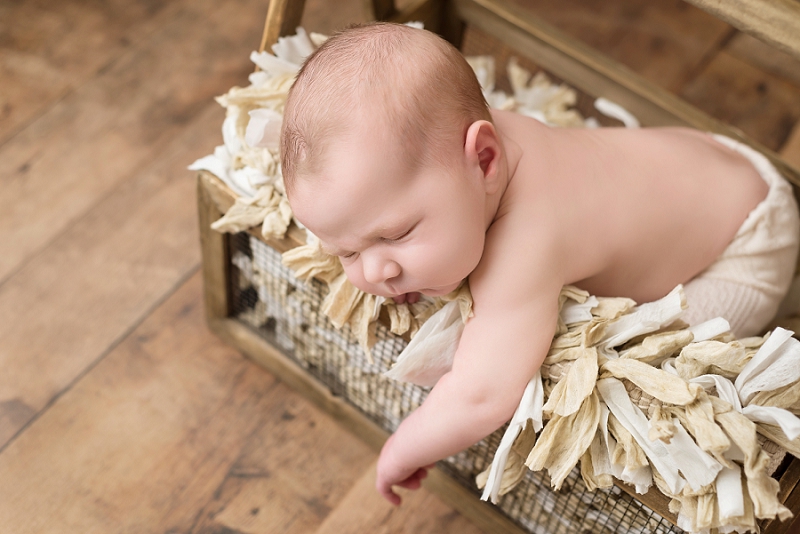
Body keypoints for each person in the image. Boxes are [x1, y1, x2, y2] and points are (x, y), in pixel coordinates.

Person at [278, 22, 800, 505]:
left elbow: (482, 392)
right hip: (707, 158)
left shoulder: (525, 240)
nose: (374, 273)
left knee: (672, 354)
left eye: (395, 235)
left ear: (484, 159)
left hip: (746, 237)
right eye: (345, 251)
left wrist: (406, 445)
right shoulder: (461, 146)